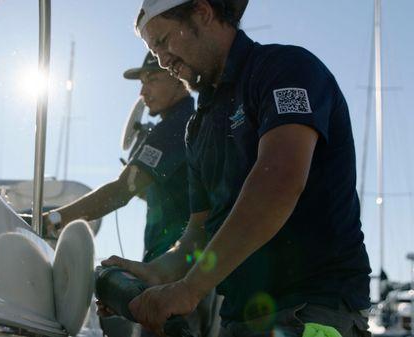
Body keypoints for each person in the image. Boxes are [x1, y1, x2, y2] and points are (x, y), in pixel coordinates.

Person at [102, 1, 372, 336]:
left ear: (202, 12)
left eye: (162, 41)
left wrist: (189, 289)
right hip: (238, 319)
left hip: (312, 308)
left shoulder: (286, 69)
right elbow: (197, 235)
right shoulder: (198, 128)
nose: (160, 59)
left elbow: (279, 181)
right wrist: (155, 273)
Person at [25, 53, 216, 336]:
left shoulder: (176, 126)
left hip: (174, 271)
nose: (142, 92)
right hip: (181, 268)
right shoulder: (189, 123)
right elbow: (166, 196)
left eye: (152, 80)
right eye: (141, 83)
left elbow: (121, 191)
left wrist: (52, 219)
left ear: (178, 81)